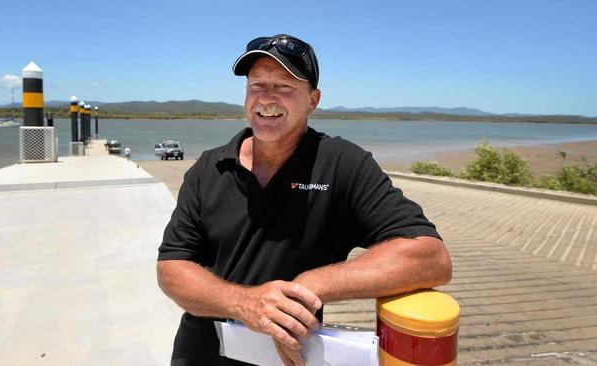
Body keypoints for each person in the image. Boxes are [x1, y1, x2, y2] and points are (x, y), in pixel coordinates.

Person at [157, 34, 452, 366]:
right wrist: (245, 302)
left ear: (313, 100)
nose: (266, 99)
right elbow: (172, 268)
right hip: (200, 357)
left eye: (284, 87)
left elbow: (429, 256)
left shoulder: (342, 164)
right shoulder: (210, 168)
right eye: (257, 86)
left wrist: (310, 284)